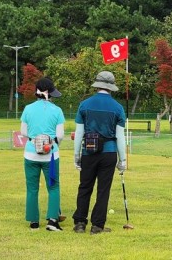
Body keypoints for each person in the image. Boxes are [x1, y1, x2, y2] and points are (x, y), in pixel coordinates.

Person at [72, 71, 127, 235]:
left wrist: (76, 155)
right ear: (111, 87)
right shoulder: (118, 107)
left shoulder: (84, 104)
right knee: (103, 189)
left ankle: (80, 223)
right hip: (109, 152)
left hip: (88, 151)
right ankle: (97, 225)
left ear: (97, 85)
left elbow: (79, 132)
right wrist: (122, 160)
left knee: (85, 186)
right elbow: (120, 136)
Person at [20, 77, 65, 231]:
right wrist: (52, 145)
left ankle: (33, 222)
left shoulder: (28, 109)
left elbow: (23, 132)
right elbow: (59, 135)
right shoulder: (57, 111)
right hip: (51, 156)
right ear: (48, 93)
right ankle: (52, 220)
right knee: (53, 187)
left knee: (32, 188)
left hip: (30, 154)